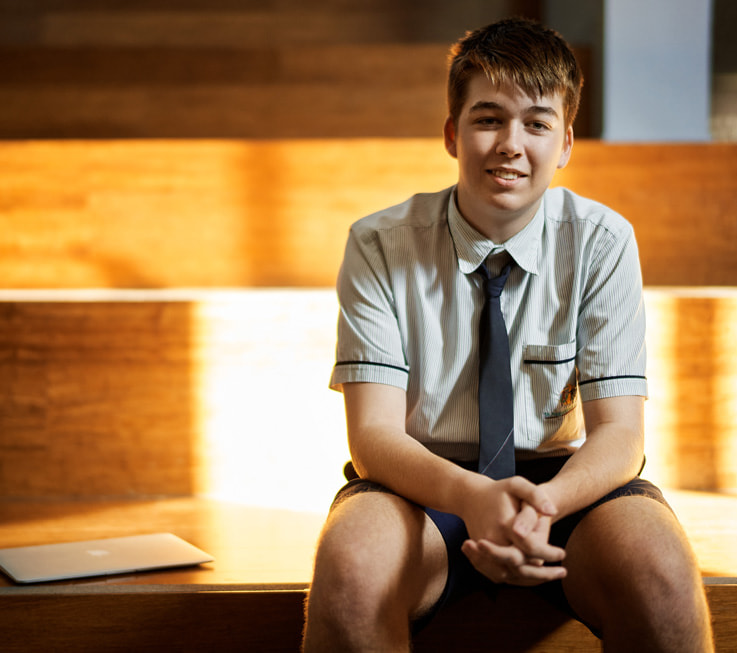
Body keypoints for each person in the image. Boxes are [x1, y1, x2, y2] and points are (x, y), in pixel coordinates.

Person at [302, 17, 714, 653]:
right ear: (452, 133)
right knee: (351, 572)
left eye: (537, 123)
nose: (511, 144)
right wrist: (473, 497)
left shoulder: (603, 243)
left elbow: (620, 436)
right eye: (488, 118)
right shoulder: (378, 244)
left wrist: (540, 506)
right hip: (421, 483)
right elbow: (375, 435)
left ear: (567, 143)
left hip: (563, 485)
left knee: (663, 579)